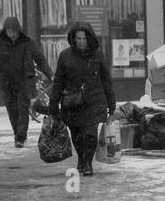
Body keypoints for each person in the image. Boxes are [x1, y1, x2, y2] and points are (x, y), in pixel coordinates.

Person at [49, 22, 116, 176]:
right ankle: (81, 159)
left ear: (89, 38)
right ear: (73, 38)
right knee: (77, 135)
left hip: (94, 101)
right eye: (77, 38)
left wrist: (111, 104)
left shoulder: (98, 55)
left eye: (83, 38)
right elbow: (58, 81)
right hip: (72, 103)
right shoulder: (65, 56)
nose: (80, 41)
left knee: (90, 135)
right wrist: (53, 105)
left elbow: (106, 80)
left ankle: (87, 163)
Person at [0, 17, 53, 148]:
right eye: (8, 32)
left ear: (18, 31)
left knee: (22, 109)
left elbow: (40, 60)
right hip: (6, 83)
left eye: (13, 31)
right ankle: (17, 133)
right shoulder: (0, 44)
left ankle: (20, 137)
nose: (11, 34)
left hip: (24, 82)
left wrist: (51, 75)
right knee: (12, 110)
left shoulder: (28, 43)